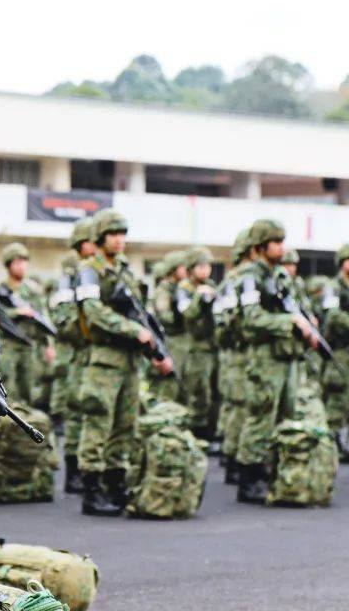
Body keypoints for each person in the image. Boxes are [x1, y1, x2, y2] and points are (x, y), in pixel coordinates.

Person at [76, 209, 173, 515]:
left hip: (131, 362)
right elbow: (93, 311)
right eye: (113, 234)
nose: (119, 240)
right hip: (105, 360)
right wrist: (135, 331)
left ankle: (115, 486)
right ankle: (92, 491)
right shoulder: (89, 269)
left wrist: (155, 352)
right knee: (98, 423)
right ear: (101, 237)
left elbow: (141, 315)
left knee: (125, 426)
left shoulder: (126, 272)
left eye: (122, 234)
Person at [234, 219, 315, 504]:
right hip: (265, 358)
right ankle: (249, 476)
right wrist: (290, 322)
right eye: (275, 243)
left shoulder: (280, 276)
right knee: (261, 416)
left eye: (282, 242)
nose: (281, 248)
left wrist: (306, 325)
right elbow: (251, 318)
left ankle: (275, 471)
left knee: (286, 415)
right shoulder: (249, 277)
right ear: (260, 247)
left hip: (287, 356)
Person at [49, 217, 96, 493]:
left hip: (94, 353)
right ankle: (74, 470)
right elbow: (63, 316)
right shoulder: (70, 275)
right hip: (76, 353)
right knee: (77, 413)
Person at [0, 242, 54, 406]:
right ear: (9, 265)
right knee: (8, 388)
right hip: (8, 345)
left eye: (24, 261)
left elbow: (42, 318)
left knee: (29, 389)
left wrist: (48, 345)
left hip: (29, 345)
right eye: (17, 262)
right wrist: (17, 312)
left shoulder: (33, 290)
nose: (22, 266)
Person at [214, 229, 252, 484]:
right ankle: (233, 458)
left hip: (255, 354)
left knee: (250, 408)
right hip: (237, 353)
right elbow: (224, 322)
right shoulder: (233, 282)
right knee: (238, 406)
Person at [321, 244, 349, 457]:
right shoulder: (334, 286)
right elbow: (333, 315)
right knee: (338, 398)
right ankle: (331, 442)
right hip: (341, 351)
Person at [174, 246, 218, 439]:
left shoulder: (211, 286)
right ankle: (195, 434)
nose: (205, 270)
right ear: (191, 268)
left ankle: (210, 432)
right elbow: (187, 314)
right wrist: (200, 297)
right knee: (198, 393)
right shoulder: (184, 289)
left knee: (214, 393)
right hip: (194, 349)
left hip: (213, 347)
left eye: (207, 266)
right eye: (200, 266)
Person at [151, 250, 188, 403]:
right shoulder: (164, 290)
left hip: (182, 343)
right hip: (170, 342)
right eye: (183, 267)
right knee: (169, 390)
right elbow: (165, 317)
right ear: (174, 269)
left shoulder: (181, 288)